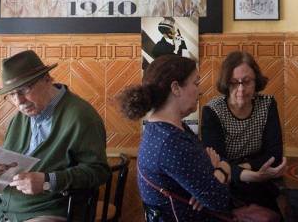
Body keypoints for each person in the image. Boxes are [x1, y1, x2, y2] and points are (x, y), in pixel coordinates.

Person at [0, 50, 110, 222]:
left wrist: (48, 180)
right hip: (2, 212)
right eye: (12, 94)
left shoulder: (81, 116)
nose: (19, 102)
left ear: (47, 79)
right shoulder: (19, 119)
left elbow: (99, 171)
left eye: (25, 89)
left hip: (50, 212)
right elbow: (6, 167)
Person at [118, 54, 232, 221]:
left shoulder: (165, 130)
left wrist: (213, 176)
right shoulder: (170, 142)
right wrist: (221, 170)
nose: (199, 91)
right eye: (196, 83)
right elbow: (219, 200)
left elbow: (211, 176)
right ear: (176, 88)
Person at [201, 51, 287, 214]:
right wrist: (246, 173)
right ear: (226, 83)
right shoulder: (212, 110)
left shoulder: (267, 105)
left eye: (246, 82)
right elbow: (216, 163)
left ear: (256, 82)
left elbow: (274, 154)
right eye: (234, 83)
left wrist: (240, 167)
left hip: (260, 181)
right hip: (226, 184)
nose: (241, 89)